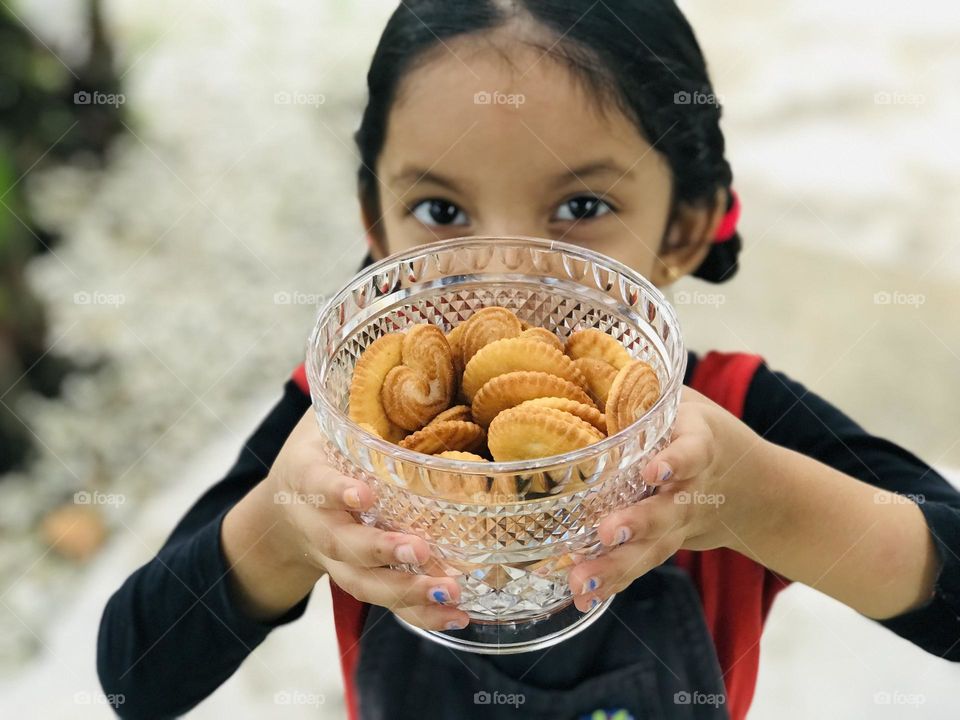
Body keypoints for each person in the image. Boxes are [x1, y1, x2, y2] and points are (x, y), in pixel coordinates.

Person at [97, 2, 960, 718]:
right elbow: (137, 675)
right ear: (375, 222)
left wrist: (761, 499)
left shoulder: (730, 418)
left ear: (686, 228)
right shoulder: (342, 436)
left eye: (580, 204)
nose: (506, 272)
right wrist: (286, 527)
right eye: (440, 209)